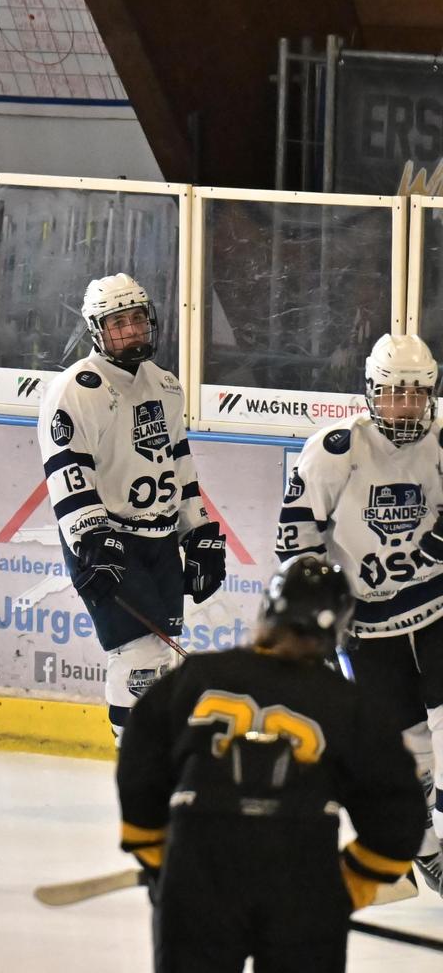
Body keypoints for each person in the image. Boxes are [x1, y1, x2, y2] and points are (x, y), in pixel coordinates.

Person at [117, 556, 426, 972]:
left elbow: (139, 756)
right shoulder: (349, 706)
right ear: (336, 630)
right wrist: (349, 885)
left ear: (268, 612)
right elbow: (398, 816)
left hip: (200, 870)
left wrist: (154, 849)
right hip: (301, 880)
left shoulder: (201, 676)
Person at [276, 333, 443, 893]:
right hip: (368, 624)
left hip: (436, 603)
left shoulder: (441, 439)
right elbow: (297, 534)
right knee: (411, 743)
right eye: (394, 394)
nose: (406, 406)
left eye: (416, 395)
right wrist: (315, 613)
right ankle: (422, 845)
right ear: (371, 392)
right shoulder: (336, 447)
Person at [36, 273, 223, 737]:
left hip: (159, 540)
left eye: (138, 319)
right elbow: (67, 468)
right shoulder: (77, 388)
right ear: (97, 330)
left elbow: (178, 463)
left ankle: (151, 761)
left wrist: (196, 532)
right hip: (107, 539)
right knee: (138, 658)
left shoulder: (166, 385)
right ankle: (135, 767)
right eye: (119, 323)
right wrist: (92, 538)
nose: (133, 331)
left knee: (160, 657)